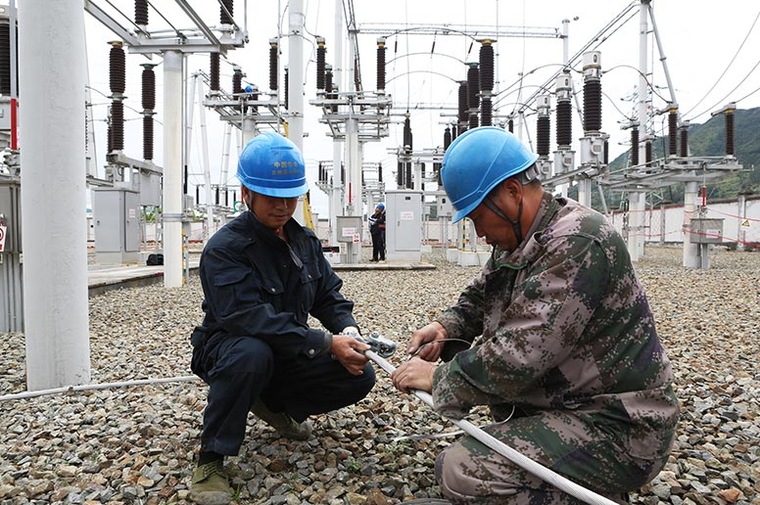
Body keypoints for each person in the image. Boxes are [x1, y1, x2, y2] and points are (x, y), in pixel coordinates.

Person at [390, 127, 679, 504]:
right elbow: (481, 295)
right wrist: (446, 326)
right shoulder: (524, 238)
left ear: (511, 193)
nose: (479, 233)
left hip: (619, 426)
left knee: (462, 470)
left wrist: (441, 378)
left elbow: (520, 354)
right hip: (569, 410)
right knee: (459, 463)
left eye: (478, 217)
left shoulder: (576, 241)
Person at [189, 132, 376, 505]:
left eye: (291, 196)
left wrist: (347, 331)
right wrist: (325, 343)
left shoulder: (303, 241)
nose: (283, 206)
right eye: (272, 197)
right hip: (230, 348)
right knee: (251, 354)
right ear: (247, 193)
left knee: (359, 373)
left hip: (288, 347)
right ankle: (211, 459)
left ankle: (274, 405)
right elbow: (246, 318)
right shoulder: (225, 249)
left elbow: (327, 295)